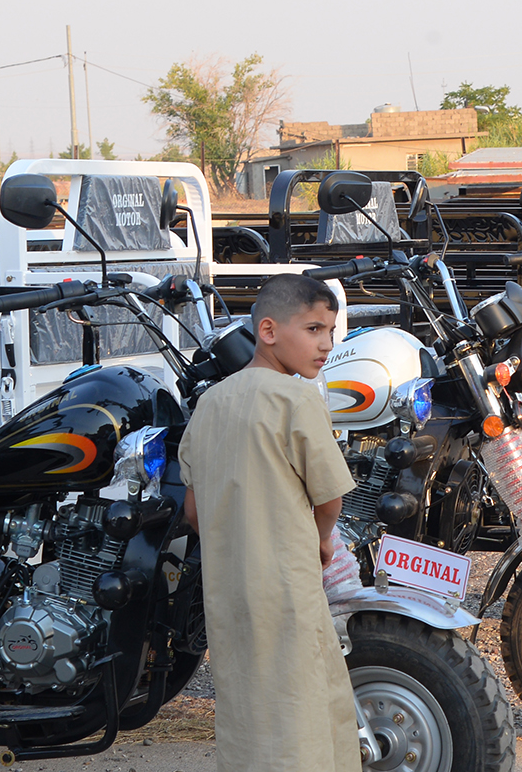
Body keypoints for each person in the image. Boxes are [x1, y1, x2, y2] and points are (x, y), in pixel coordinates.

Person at [180, 273, 360, 771]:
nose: (325, 344)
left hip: (229, 591)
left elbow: (194, 511)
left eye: (330, 330)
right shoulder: (298, 399)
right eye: (313, 329)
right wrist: (323, 541)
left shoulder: (209, 403)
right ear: (269, 330)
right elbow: (328, 499)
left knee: (248, 709)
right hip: (286, 586)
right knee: (301, 708)